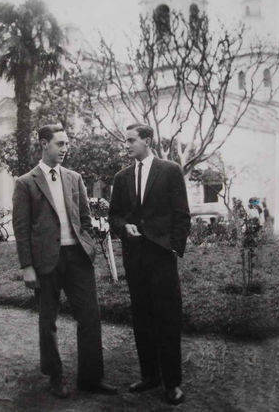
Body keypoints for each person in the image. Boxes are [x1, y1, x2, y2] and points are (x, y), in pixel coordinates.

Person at [12, 124, 117, 399]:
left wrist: (89, 246)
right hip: (46, 262)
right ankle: (55, 376)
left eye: (67, 143)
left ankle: (91, 378)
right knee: (48, 321)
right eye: (60, 143)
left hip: (77, 258)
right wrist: (27, 267)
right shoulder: (26, 182)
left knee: (90, 318)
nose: (65, 148)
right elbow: (21, 229)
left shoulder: (74, 178)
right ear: (44, 144)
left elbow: (84, 218)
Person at [109, 123, 190, 406]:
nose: (127, 145)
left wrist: (174, 248)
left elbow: (182, 214)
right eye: (126, 141)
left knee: (167, 318)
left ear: (147, 140)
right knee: (142, 317)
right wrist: (124, 227)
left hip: (161, 256)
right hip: (136, 257)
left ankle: (172, 383)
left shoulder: (170, 170)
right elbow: (114, 216)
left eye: (131, 140)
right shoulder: (122, 177)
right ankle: (150, 375)